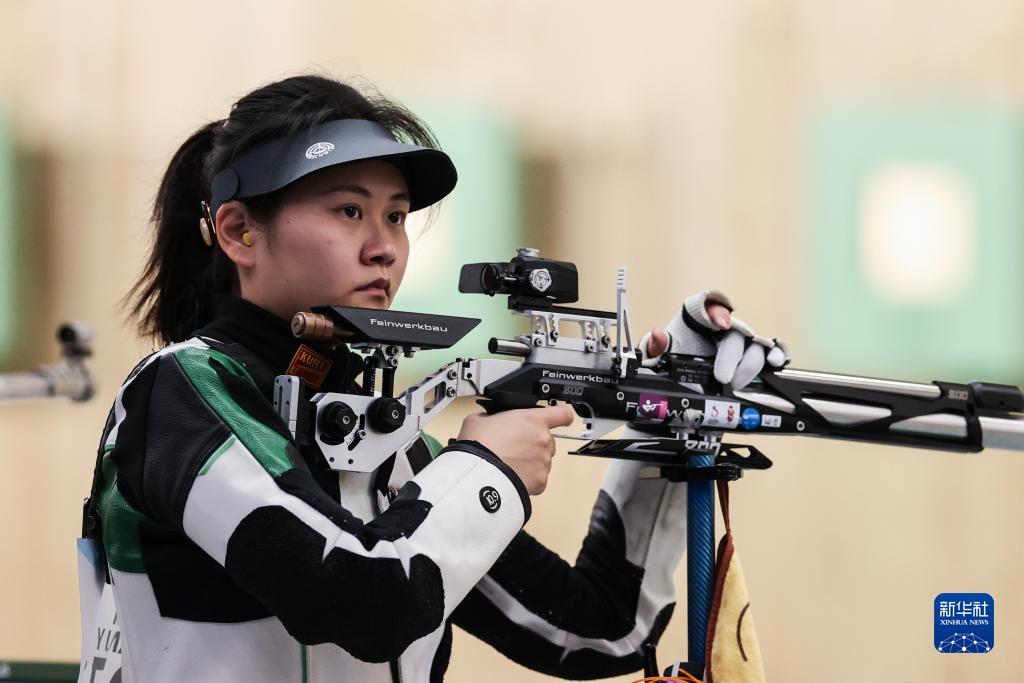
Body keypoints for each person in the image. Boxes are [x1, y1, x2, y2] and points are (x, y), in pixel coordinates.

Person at [82, 74, 788, 682]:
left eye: (395, 215)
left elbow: (600, 631)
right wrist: (485, 469)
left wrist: (664, 413)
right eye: (349, 209)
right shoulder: (178, 392)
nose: (384, 245)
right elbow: (360, 600)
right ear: (238, 233)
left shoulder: (378, 436)